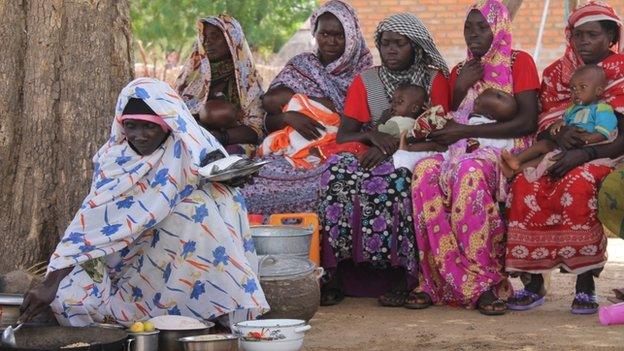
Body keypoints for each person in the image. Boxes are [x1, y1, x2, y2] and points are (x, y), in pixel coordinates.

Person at [18, 78, 269, 327]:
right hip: (120, 263)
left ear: (168, 124)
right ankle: (130, 319)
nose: (138, 136)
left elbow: (224, 179)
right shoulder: (115, 160)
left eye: (149, 127)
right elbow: (90, 224)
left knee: (204, 205)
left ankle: (210, 311)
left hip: (175, 262)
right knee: (69, 300)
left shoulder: (190, 147)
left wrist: (234, 179)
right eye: (130, 126)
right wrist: (49, 285)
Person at [406, 0, 540, 315]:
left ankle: (483, 283)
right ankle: (437, 280)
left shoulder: (518, 62)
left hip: (505, 147)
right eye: (469, 27)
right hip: (461, 145)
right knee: (424, 171)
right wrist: (460, 85)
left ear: (500, 28)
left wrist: (465, 133)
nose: (474, 34)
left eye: (483, 27)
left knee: (469, 173)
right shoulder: (460, 69)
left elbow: (528, 121)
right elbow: (453, 117)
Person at [318, 12, 451, 307]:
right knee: (336, 174)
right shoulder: (366, 81)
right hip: (373, 149)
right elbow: (345, 135)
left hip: (417, 153)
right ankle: (337, 275)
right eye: (385, 44)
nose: (390, 50)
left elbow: (442, 134)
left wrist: (393, 147)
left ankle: (403, 278)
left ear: (415, 46)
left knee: (396, 182)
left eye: (399, 44)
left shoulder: (434, 80)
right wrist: (373, 138)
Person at [505, 0, 624, 314]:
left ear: (611, 37)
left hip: (607, 153)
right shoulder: (557, 72)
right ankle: (532, 284)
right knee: (524, 185)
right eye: (577, 35)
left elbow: (621, 138)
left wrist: (583, 153)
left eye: (593, 35)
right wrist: (557, 134)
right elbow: (545, 123)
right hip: (560, 151)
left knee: (577, 186)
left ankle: (585, 284)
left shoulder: (622, 71)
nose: (583, 42)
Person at [241, 0, 372, 216]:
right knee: (254, 180)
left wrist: (323, 111)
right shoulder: (301, 65)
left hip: (338, 150)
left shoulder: (364, 73)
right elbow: (267, 120)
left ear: (352, 35)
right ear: (314, 33)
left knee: (331, 183)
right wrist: (290, 116)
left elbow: (367, 127)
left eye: (339, 35)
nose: (330, 41)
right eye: (324, 34)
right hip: (292, 149)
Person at [501, 64, 618, 179]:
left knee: (548, 158)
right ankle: (516, 160)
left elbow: (603, 133)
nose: (576, 92)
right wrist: (559, 124)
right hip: (567, 144)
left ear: (598, 91)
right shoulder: (573, 109)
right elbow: (564, 121)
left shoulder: (603, 109)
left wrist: (584, 140)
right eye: (573, 88)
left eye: (582, 87)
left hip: (585, 147)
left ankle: (515, 171)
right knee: (544, 144)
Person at [175, 15, 264, 156]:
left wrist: (220, 137)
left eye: (215, 36)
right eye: (204, 37)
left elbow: (257, 130)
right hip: (190, 141)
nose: (207, 42)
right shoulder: (192, 78)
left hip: (232, 144)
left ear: (232, 39)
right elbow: (173, 114)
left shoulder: (248, 81)